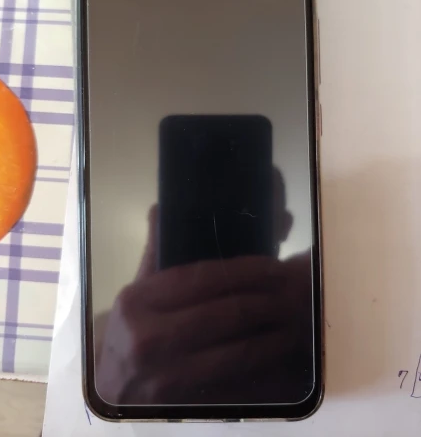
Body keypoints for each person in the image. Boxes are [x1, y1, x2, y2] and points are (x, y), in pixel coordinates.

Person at [95, 169, 314, 405]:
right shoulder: (108, 334)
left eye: (246, 210)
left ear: (286, 226)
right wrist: (109, 396)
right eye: (211, 212)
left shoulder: (312, 304)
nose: (224, 225)